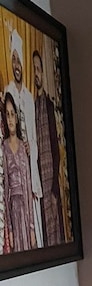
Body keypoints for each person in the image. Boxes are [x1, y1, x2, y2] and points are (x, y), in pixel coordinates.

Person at [5, 28, 42, 245]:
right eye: (14, 60)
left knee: (35, 226)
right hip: (16, 177)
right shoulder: (8, 93)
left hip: (31, 170)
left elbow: (34, 136)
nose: (17, 65)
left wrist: (31, 149)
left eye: (19, 61)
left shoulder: (29, 97)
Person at [32, 48, 63, 245]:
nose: (36, 73)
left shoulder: (49, 106)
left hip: (51, 186)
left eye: (38, 69)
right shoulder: (31, 106)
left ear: (43, 72)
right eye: (33, 69)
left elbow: (55, 150)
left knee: (55, 231)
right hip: (38, 186)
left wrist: (54, 190)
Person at [2, 90, 36, 252]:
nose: (10, 119)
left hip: (25, 211)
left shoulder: (23, 147)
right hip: (13, 210)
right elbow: (5, 188)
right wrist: (9, 229)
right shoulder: (4, 148)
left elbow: (28, 187)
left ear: (16, 118)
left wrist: (31, 228)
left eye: (12, 114)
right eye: (7, 115)